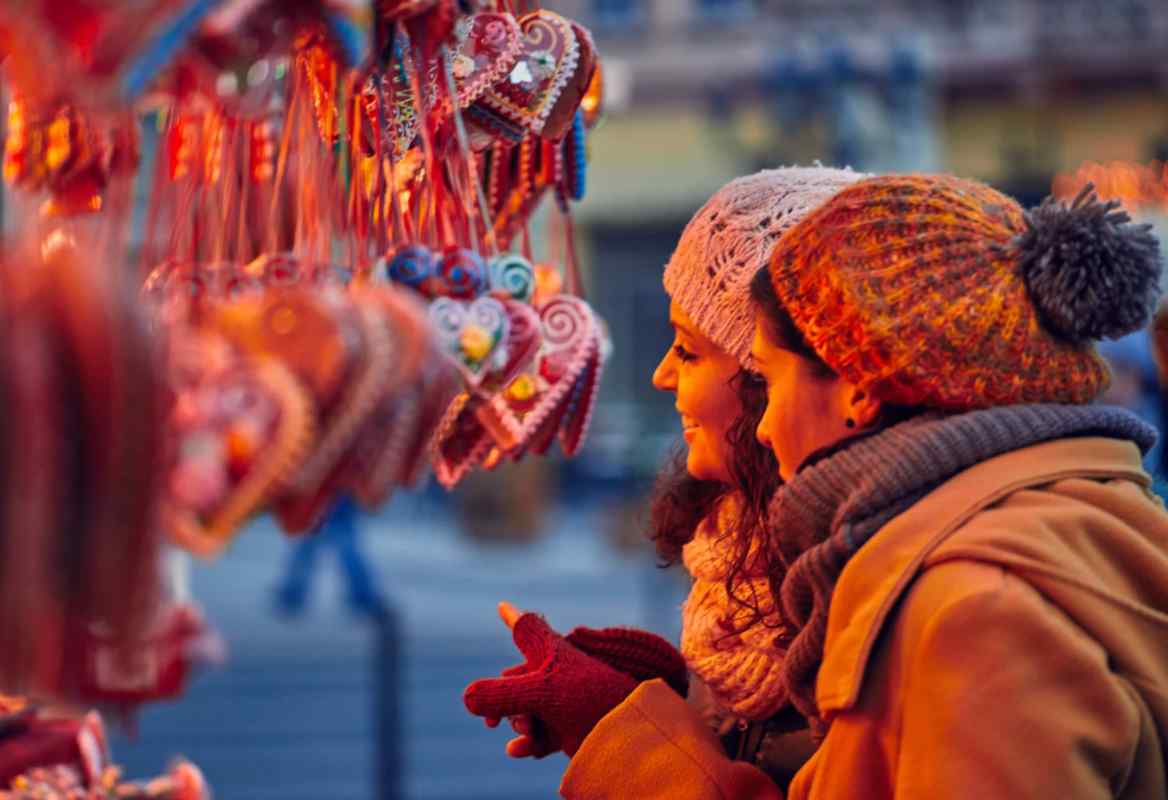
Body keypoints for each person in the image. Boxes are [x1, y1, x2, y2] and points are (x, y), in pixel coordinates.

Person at [464, 173, 1168, 799]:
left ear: (858, 386)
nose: (766, 423)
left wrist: (630, 749)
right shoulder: (1006, 547)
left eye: (766, 378)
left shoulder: (974, 612)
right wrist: (665, 708)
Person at [463, 166, 866, 789]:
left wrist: (620, 733)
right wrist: (656, 699)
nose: (661, 375)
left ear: (772, 374)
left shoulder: (868, 588)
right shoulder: (744, 558)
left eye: (687, 350)